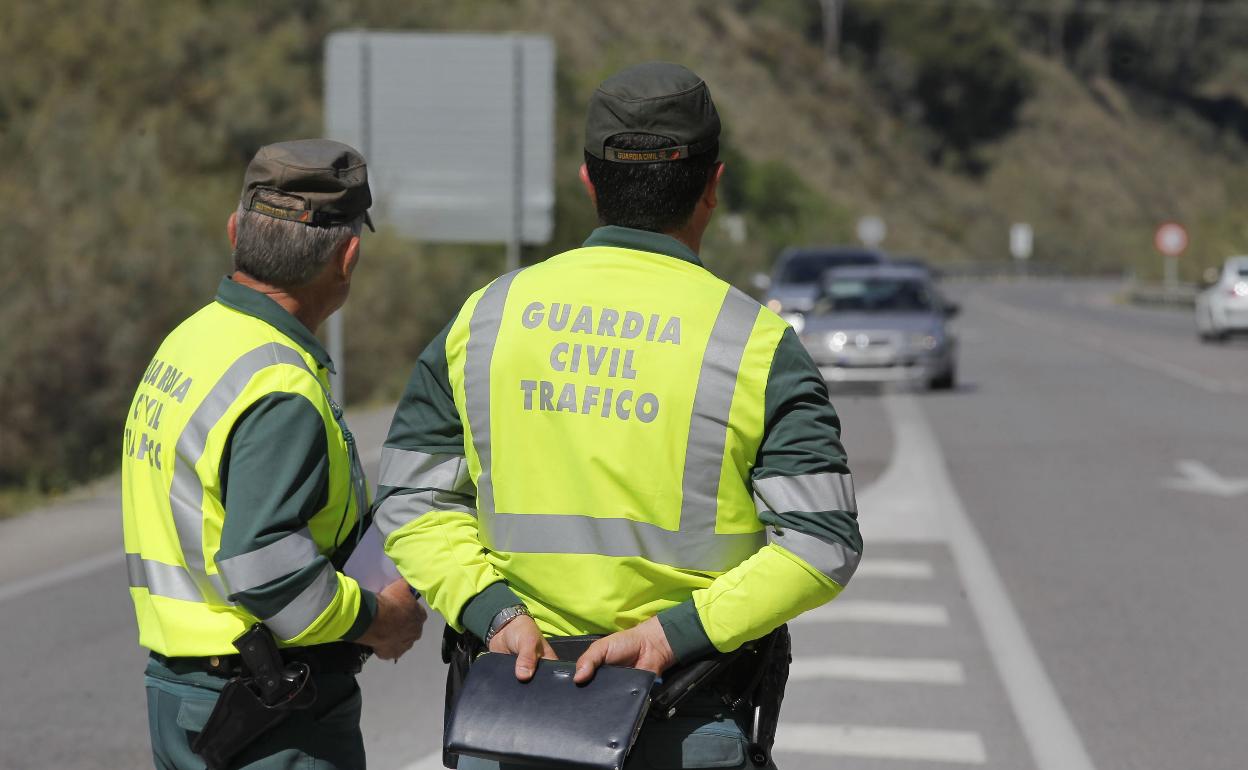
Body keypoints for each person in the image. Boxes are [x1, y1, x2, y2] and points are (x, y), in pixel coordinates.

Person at [375, 62, 862, 769]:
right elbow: (821, 542)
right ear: (713, 186)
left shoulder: (484, 320)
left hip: (514, 720)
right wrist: (672, 636)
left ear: (588, 181)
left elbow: (410, 500)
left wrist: (494, 613)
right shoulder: (756, 345)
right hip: (685, 724)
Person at [121, 139, 426, 770]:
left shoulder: (191, 340)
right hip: (271, 715)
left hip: (183, 697)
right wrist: (379, 619)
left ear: (235, 232)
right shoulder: (278, 384)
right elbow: (266, 571)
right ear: (347, 256)